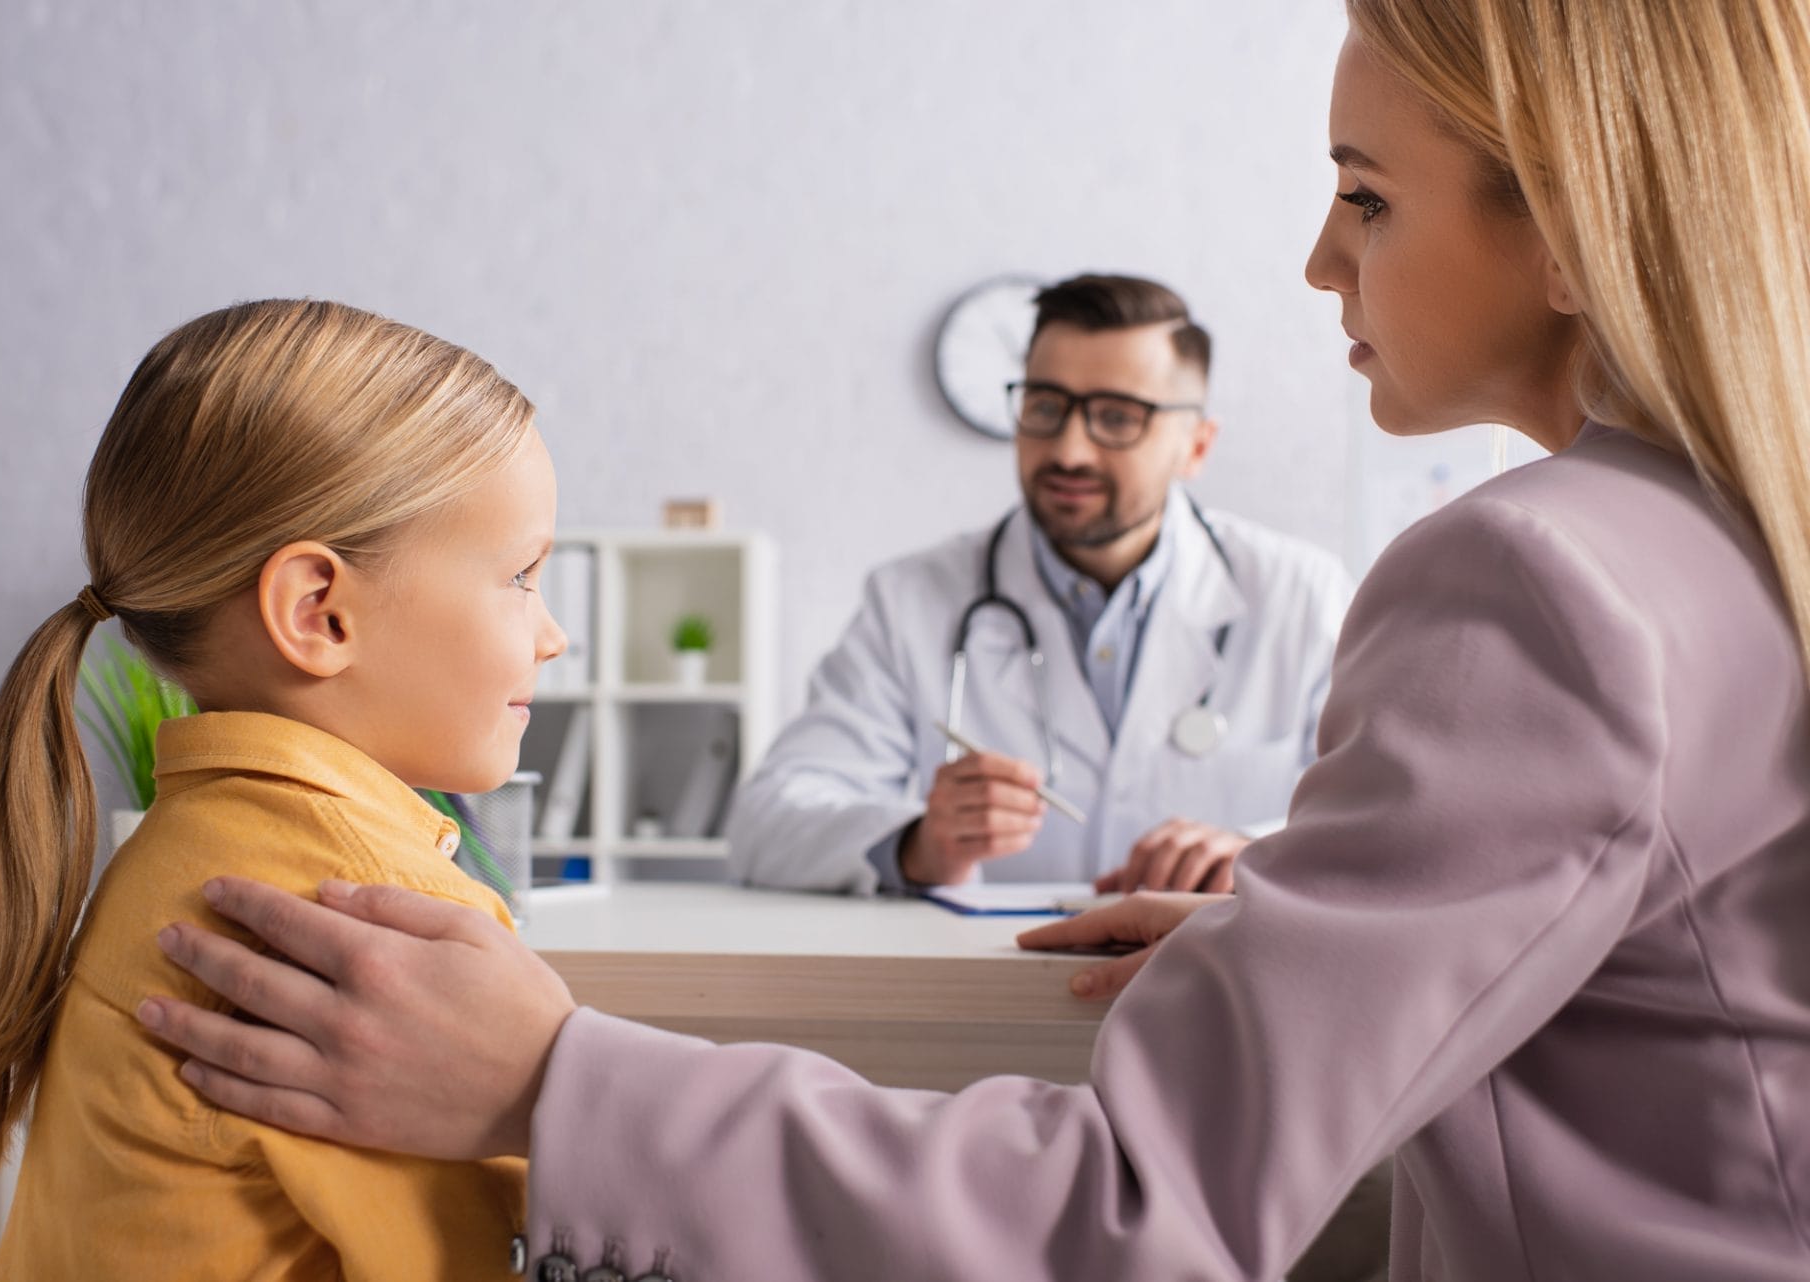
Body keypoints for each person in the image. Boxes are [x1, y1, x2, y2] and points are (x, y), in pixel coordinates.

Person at [139, 1, 1810, 1278]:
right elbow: (1650, 960)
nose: (1321, 259)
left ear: (1573, 227)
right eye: (1042, 405)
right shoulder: (1734, 540)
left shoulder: (1530, 581)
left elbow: (1138, 1213)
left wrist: (549, 1078)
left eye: (1365, 198)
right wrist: (1294, 939)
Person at [0, 299, 567, 1278]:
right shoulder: (365, 924)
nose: (553, 634)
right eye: (521, 576)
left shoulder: (190, 844)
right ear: (320, 612)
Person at [729, 273, 1354, 896]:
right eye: (1045, 406)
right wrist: (918, 844)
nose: (1069, 450)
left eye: (1117, 417)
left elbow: (1383, 817)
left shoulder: (1299, 597)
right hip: (989, 962)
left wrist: (1258, 851)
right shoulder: (911, 600)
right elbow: (767, 822)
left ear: (1195, 446)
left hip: (1208, 961)